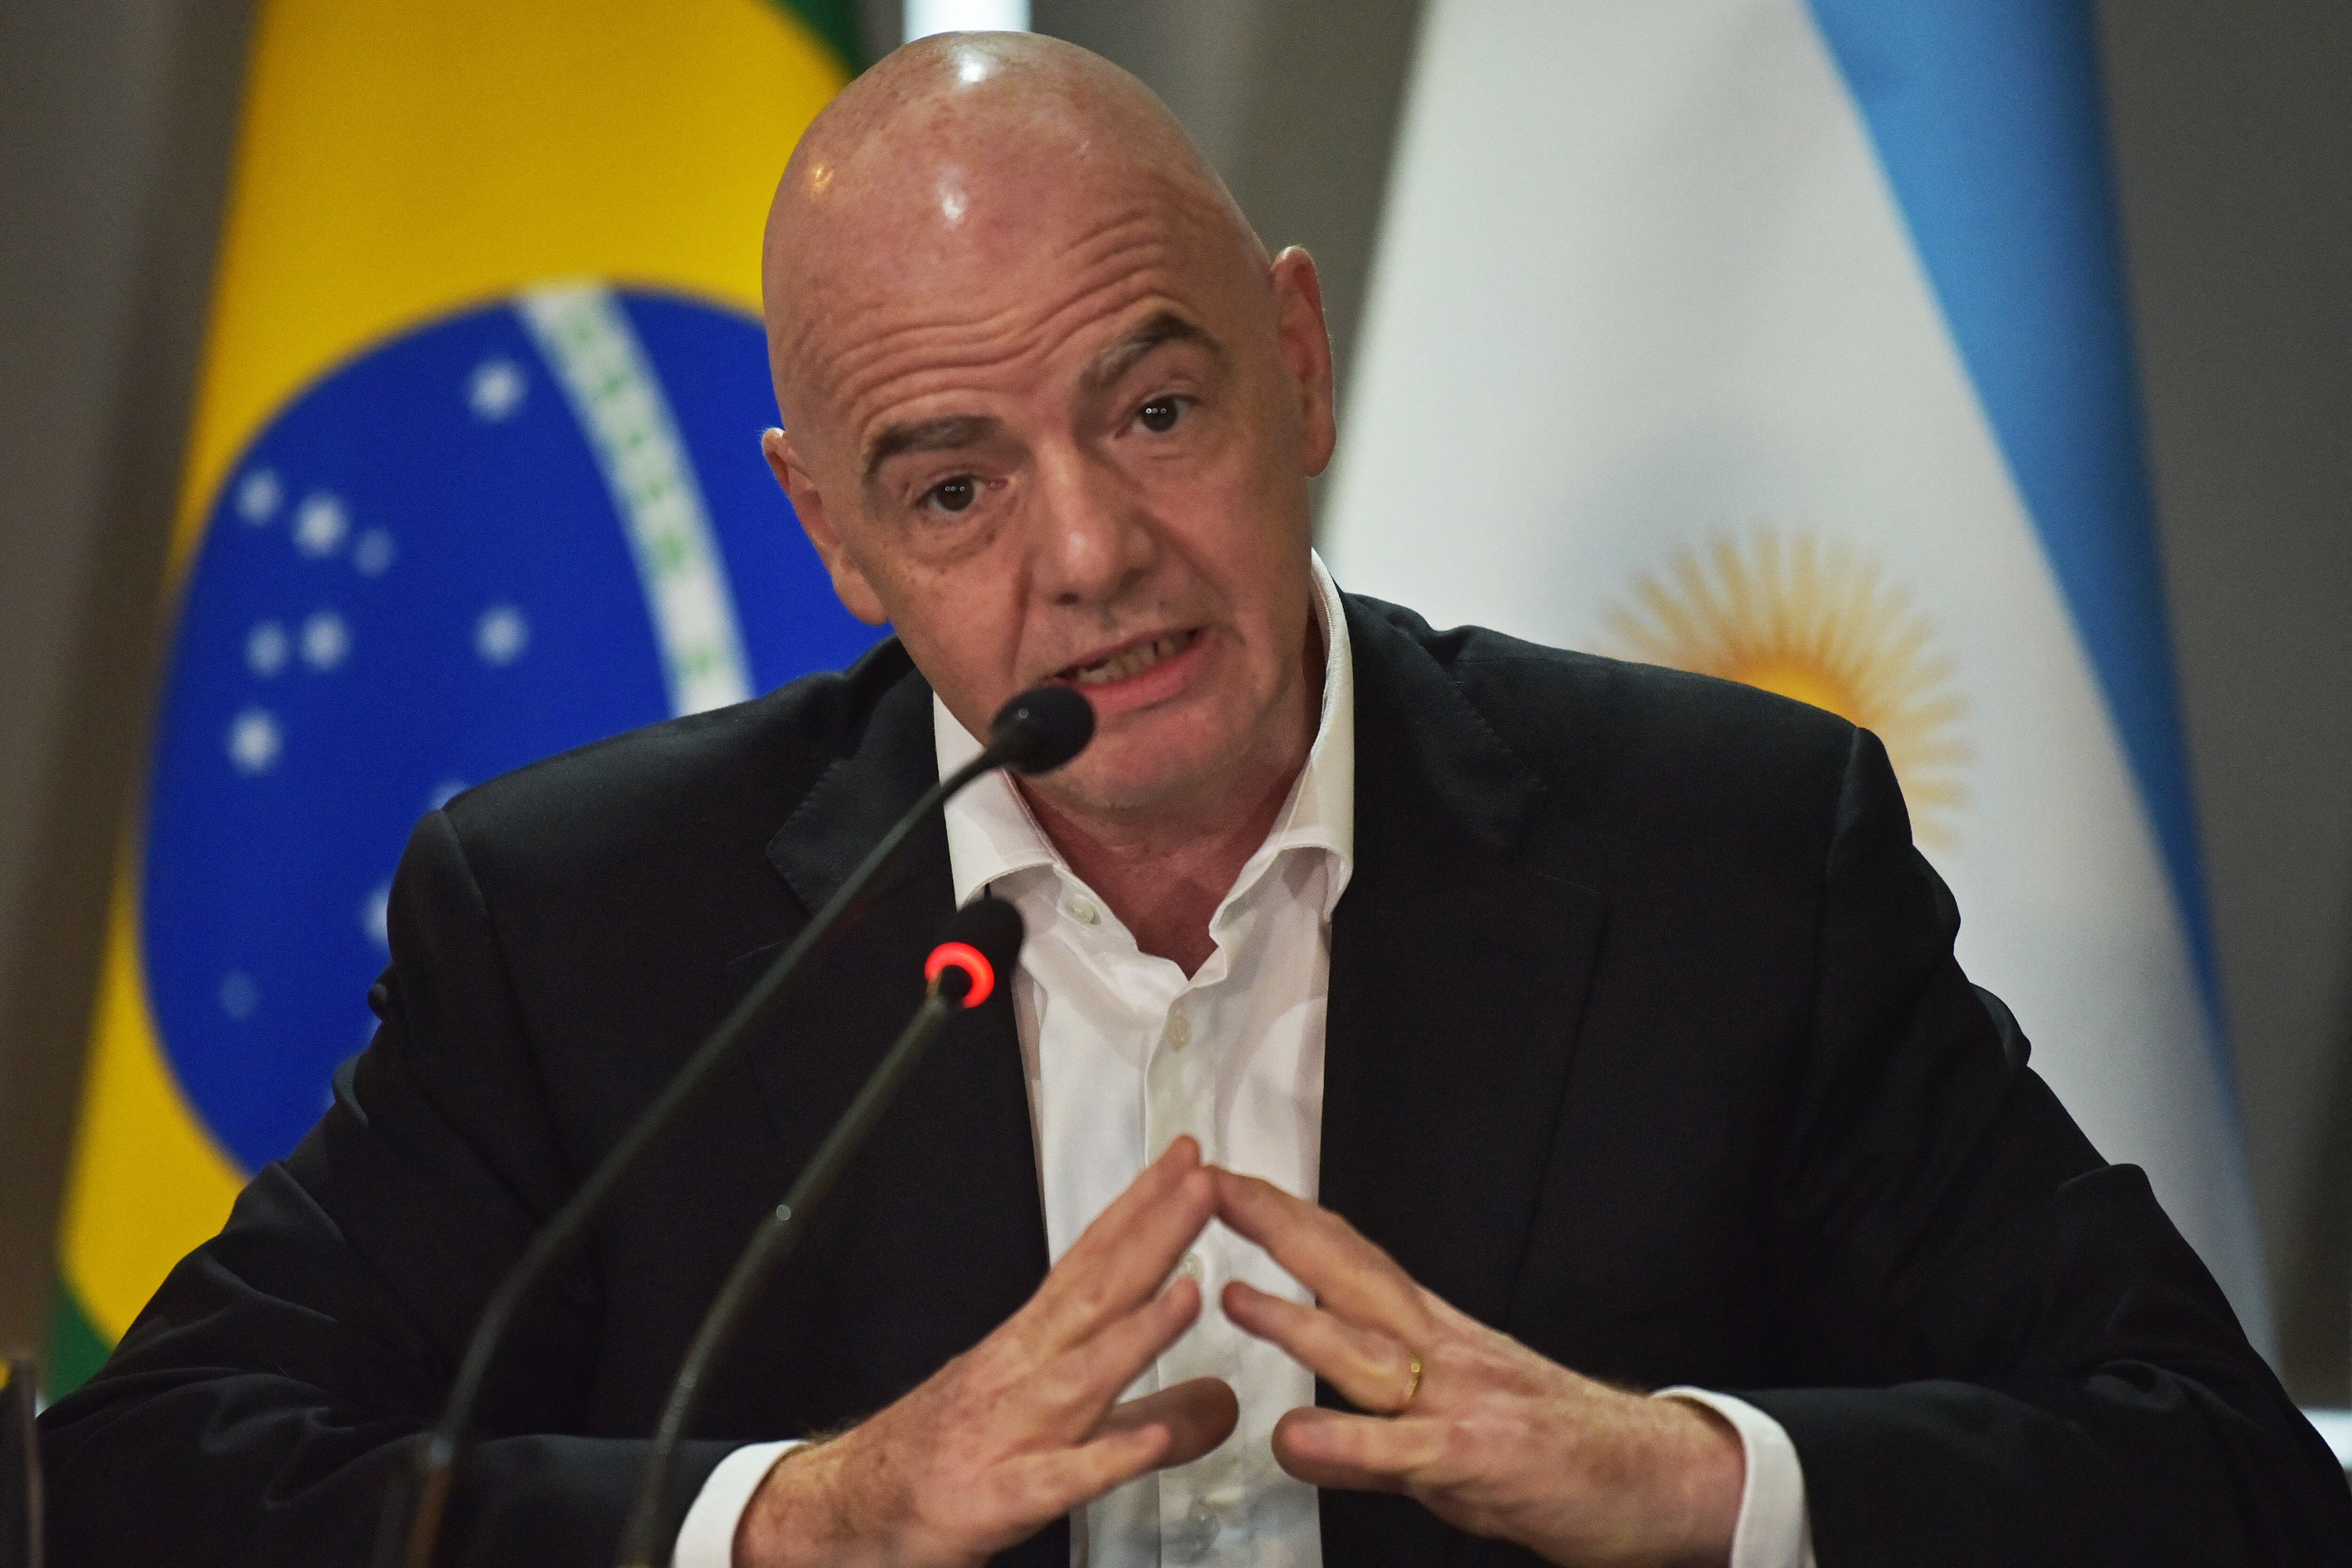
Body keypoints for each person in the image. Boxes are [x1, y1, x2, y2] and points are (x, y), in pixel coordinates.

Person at [40, 31, 2350, 1568]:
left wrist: (1689, 1476)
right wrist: (801, 1519)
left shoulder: (1732, 856)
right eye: (951, 486)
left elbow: (2217, 1474)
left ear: (1296, 359)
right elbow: (148, 1480)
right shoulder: (586, 924)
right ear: (830, 540)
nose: (1087, 555)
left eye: (1152, 412)